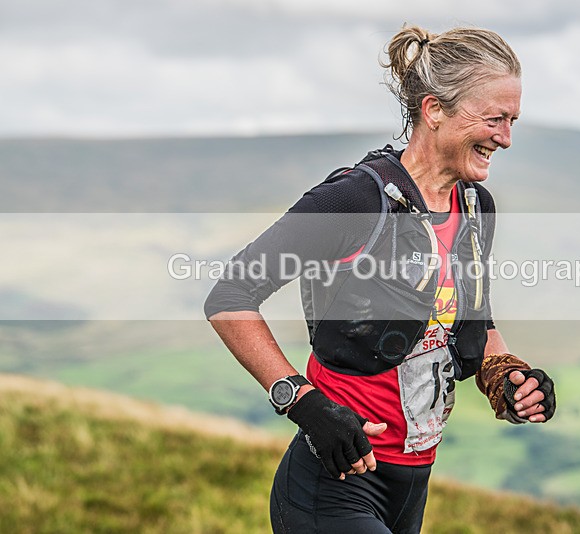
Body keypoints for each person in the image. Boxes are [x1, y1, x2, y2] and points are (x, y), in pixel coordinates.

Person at [204, 24, 556, 534]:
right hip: (334, 483)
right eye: (495, 119)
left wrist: (507, 375)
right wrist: (302, 402)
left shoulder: (476, 207)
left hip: (411, 485)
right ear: (435, 110)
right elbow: (230, 295)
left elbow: (468, 320)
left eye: (513, 121)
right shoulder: (353, 201)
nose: (505, 137)